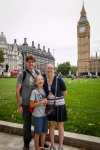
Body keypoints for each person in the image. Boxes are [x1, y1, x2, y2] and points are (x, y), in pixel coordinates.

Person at [16, 54, 49, 150]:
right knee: (27, 124)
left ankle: (39, 141)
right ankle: (26, 142)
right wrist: (19, 105)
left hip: (37, 104)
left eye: (32, 62)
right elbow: (17, 90)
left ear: (35, 63)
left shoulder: (38, 72)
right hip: (26, 103)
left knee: (38, 122)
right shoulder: (22, 74)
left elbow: (43, 83)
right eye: (29, 62)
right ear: (26, 63)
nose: (31, 63)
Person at [43, 63, 68, 150]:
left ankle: (60, 146)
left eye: (51, 68)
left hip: (59, 105)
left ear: (54, 69)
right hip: (50, 106)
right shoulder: (44, 80)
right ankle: (52, 145)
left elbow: (64, 92)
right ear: (46, 69)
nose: (49, 69)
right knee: (51, 124)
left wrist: (59, 101)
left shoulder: (59, 80)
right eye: (48, 68)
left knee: (60, 125)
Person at [30, 75, 48, 150]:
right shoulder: (34, 91)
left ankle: (42, 147)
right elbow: (31, 104)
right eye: (38, 80)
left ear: (43, 81)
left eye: (42, 79)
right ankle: (36, 148)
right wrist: (41, 102)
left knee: (44, 132)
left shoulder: (46, 90)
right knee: (37, 133)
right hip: (38, 115)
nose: (40, 80)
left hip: (45, 115)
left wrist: (46, 102)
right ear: (35, 82)